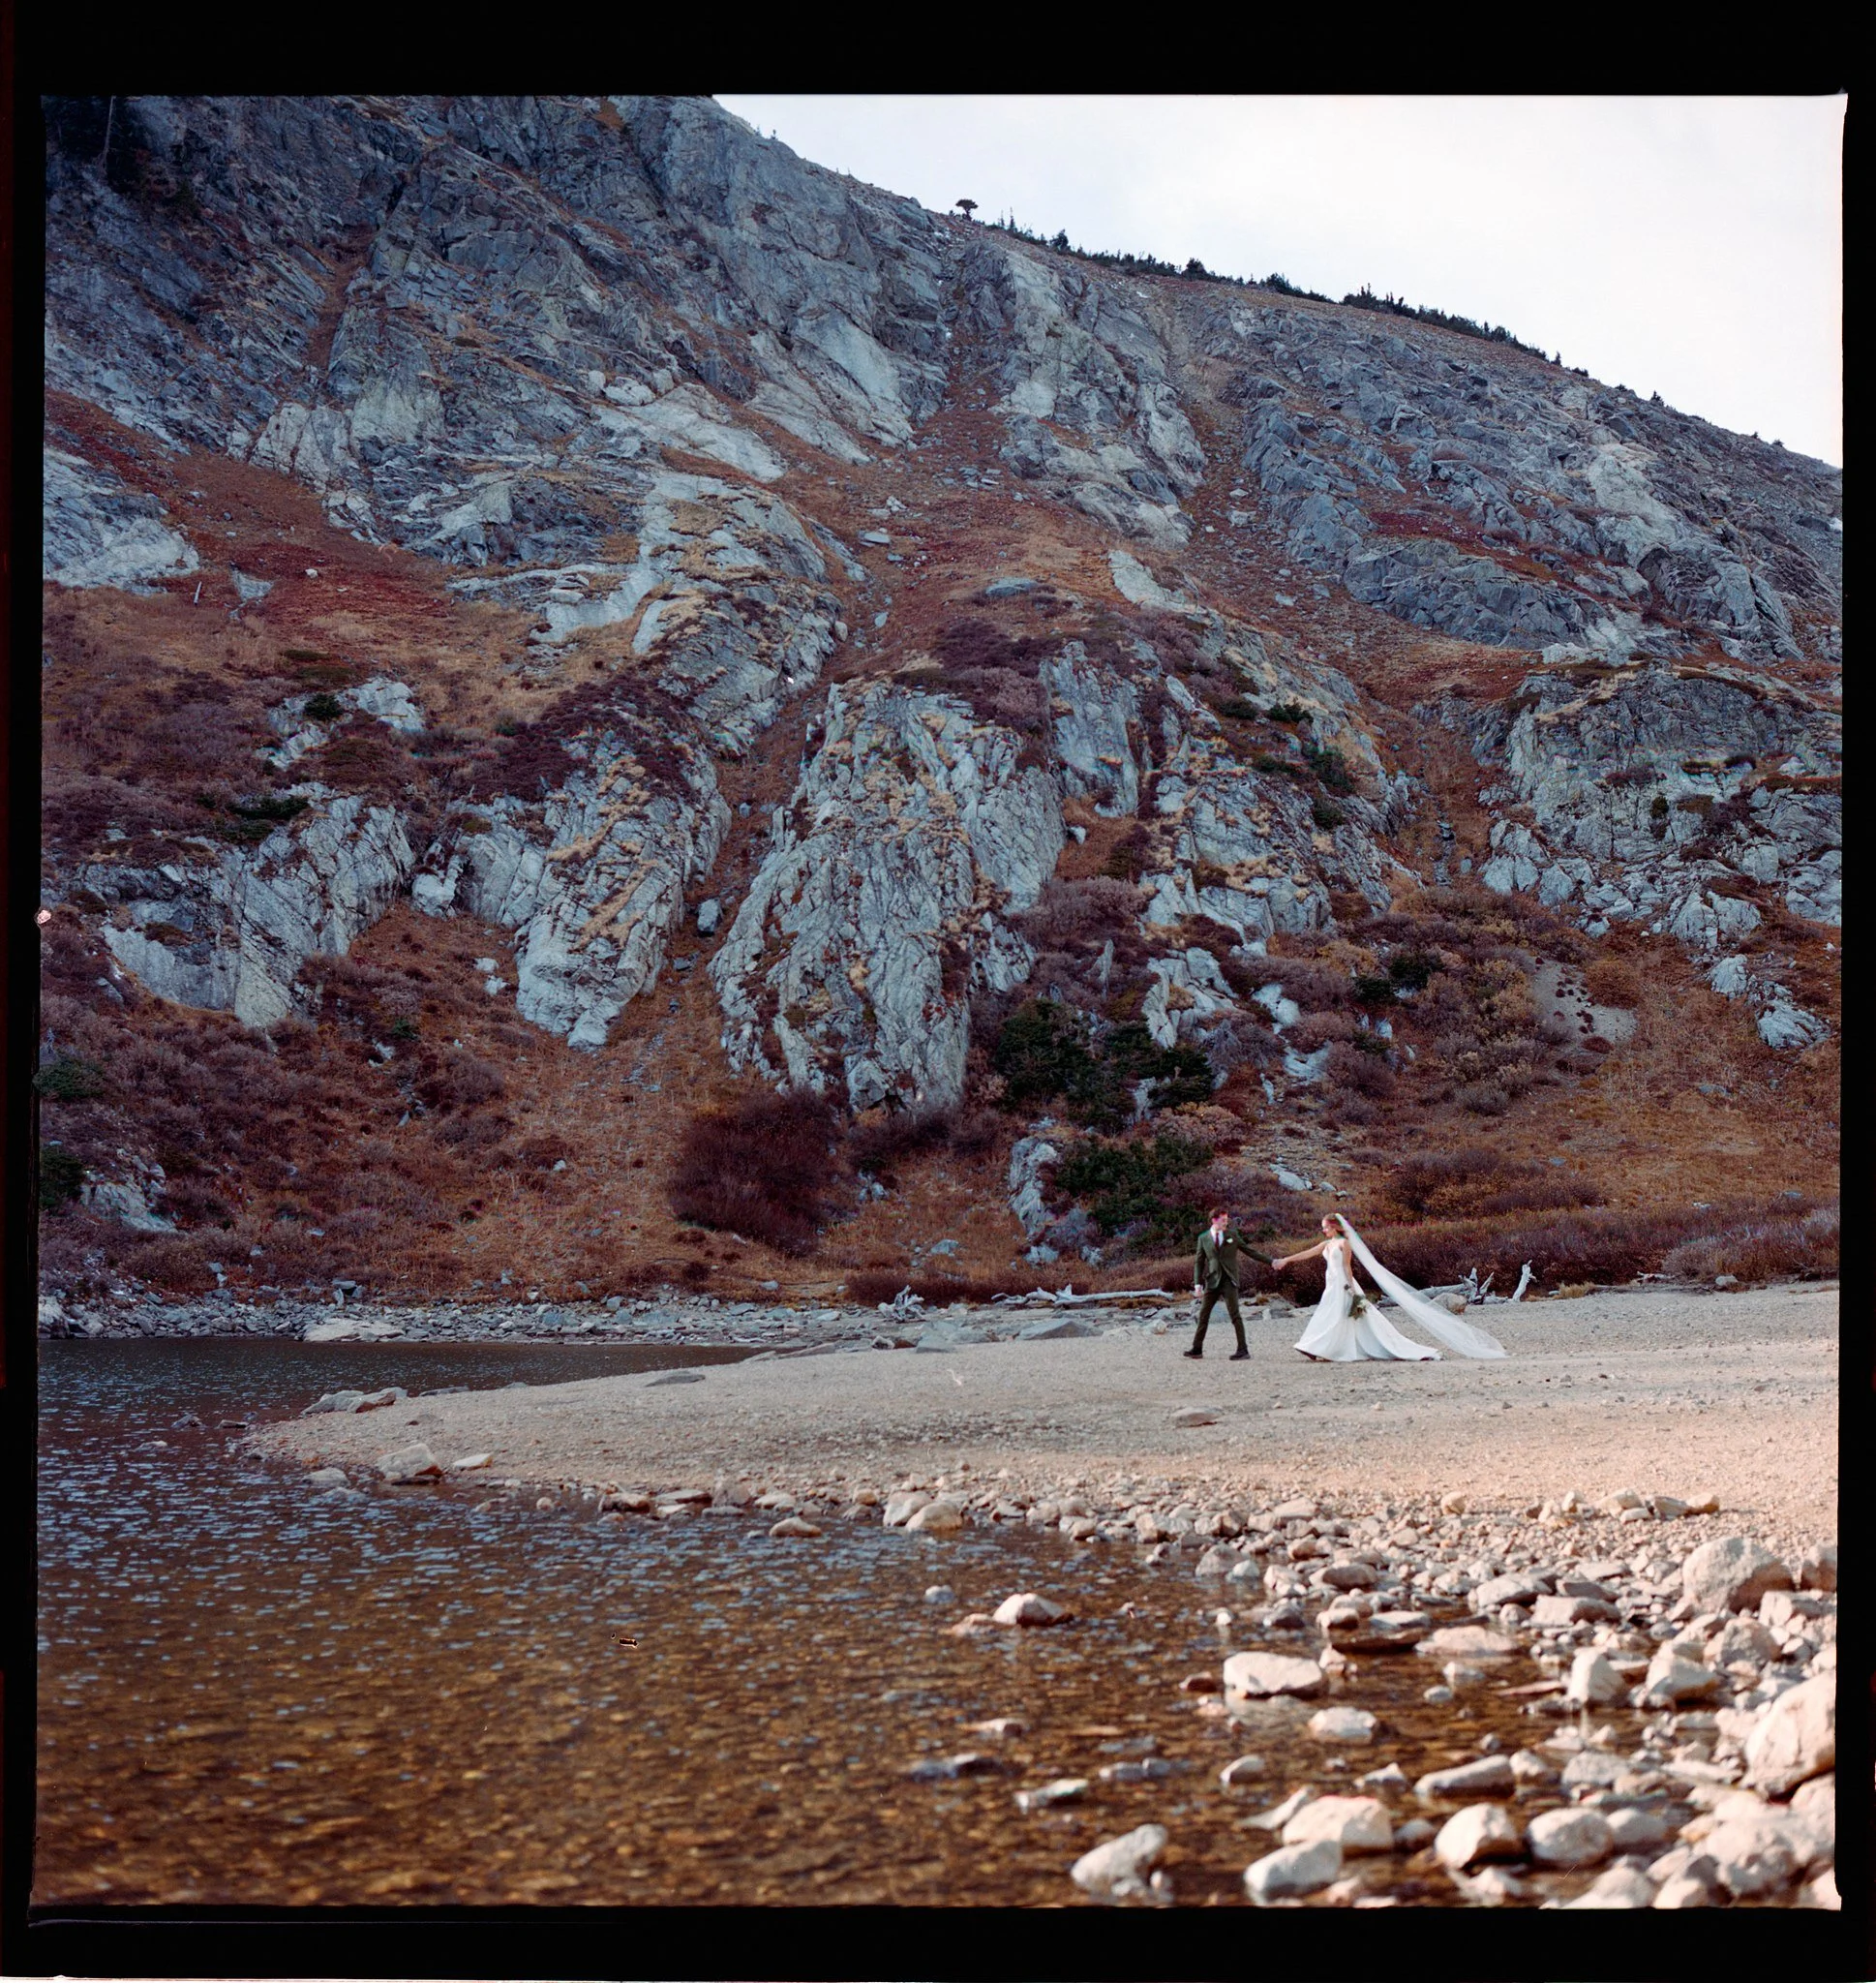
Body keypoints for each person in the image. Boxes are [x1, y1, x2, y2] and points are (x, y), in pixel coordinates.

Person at [1273, 1212, 1508, 1362]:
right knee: (1329, 1315)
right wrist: (1285, 1260)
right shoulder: (1327, 1244)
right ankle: (1316, 1347)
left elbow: (1347, 1267)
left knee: (1339, 1316)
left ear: (1335, 1227)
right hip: (1331, 1284)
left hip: (1342, 1285)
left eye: (1326, 1227)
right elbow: (1308, 1253)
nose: (1323, 1230)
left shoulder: (1344, 1243)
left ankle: (1319, 1348)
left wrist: (1352, 1290)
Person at [1186, 1206, 1264, 1360]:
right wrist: (1197, 1284)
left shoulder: (1232, 1235)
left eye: (1227, 1220)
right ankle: (1197, 1349)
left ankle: (1243, 1350)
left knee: (1235, 1315)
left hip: (1229, 1280)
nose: (1226, 1223)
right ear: (1214, 1220)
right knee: (1203, 1315)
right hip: (1212, 1281)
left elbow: (1250, 1251)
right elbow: (1199, 1262)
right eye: (1223, 1220)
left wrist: (1272, 1261)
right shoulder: (1203, 1238)